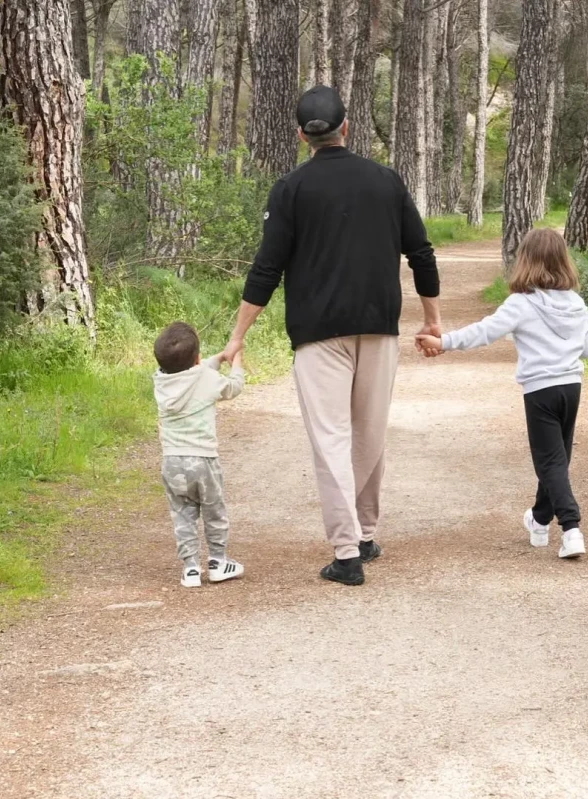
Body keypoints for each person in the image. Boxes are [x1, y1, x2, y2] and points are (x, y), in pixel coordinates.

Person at [223, 85, 441, 586]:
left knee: (331, 439)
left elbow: (267, 268)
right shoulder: (386, 181)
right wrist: (431, 319)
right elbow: (422, 253)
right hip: (379, 327)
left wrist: (238, 336)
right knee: (370, 432)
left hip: (318, 335)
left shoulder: (291, 190)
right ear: (347, 128)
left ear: (302, 136)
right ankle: (364, 534)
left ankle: (347, 554)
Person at [416, 228, 588, 559]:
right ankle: (539, 520)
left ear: (525, 260)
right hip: (571, 387)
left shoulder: (521, 304)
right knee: (557, 459)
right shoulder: (576, 303)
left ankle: (572, 530)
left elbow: (485, 332)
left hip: (541, 390)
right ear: (563, 261)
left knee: (551, 461)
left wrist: (444, 343)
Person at [154, 322, 246, 588]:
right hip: (203, 460)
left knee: (182, 515)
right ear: (196, 358)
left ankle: (191, 568)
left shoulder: (161, 380)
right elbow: (233, 387)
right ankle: (218, 561)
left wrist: (218, 357)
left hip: (172, 462)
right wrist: (236, 362)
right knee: (213, 511)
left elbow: (196, 371)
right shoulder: (206, 379)